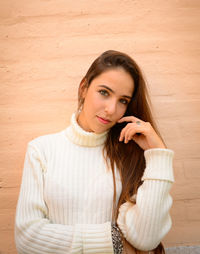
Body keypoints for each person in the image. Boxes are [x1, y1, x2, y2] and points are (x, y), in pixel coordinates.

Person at [15, 50, 174, 254]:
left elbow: (146, 239)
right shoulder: (41, 150)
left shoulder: (130, 155)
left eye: (123, 101)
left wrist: (158, 154)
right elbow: (27, 239)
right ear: (84, 88)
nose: (111, 109)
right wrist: (115, 242)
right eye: (104, 92)